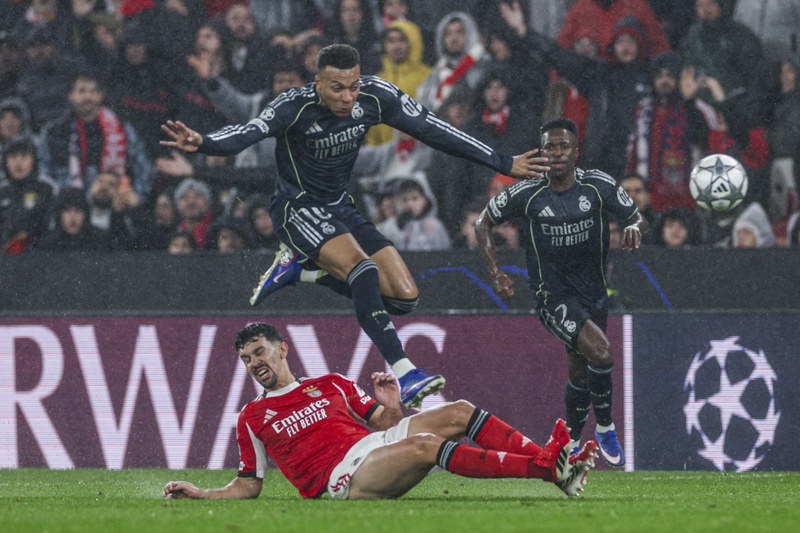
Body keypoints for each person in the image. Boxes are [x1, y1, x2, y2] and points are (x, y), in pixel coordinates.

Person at [160, 44, 548, 408]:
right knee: (363, 271)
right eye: (337, 88)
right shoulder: (293, 105)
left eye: (353, 86)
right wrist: (204, 142)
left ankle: (301, 271)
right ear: (318, 84)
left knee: (404, 298)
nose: (348, 97)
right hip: (297, 209)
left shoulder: (376, 96)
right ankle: (406, 373)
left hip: (339, 207)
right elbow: (246, 132)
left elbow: (434, 129)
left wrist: (502, 161)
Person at [162, 322, 597, 501]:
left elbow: (388, 427)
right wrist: (202, 494)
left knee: (458, 411)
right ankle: (547, 470)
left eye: (260, 352)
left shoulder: (330, 383)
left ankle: (552, 464)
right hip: (344, 478)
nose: (255, 363)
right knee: (425, 445)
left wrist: (392, 407)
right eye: (246, 359)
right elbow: (248, 484)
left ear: (282, 349)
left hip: (374, 445)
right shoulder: (252, 417)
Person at [475, 119, 648, 468]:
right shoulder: (527, 192)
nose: (556, 153)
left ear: (575, 152)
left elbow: (637, 217)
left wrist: (634, 227)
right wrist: (496, 272)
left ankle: (567, 443)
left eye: (563, 147)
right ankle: (605, 427)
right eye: (550, 147)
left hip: (593, 293)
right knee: (602, 353)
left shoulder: (598, 185)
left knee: (580, 374)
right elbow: (483, 223)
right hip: (552, 296)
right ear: (542, 152)